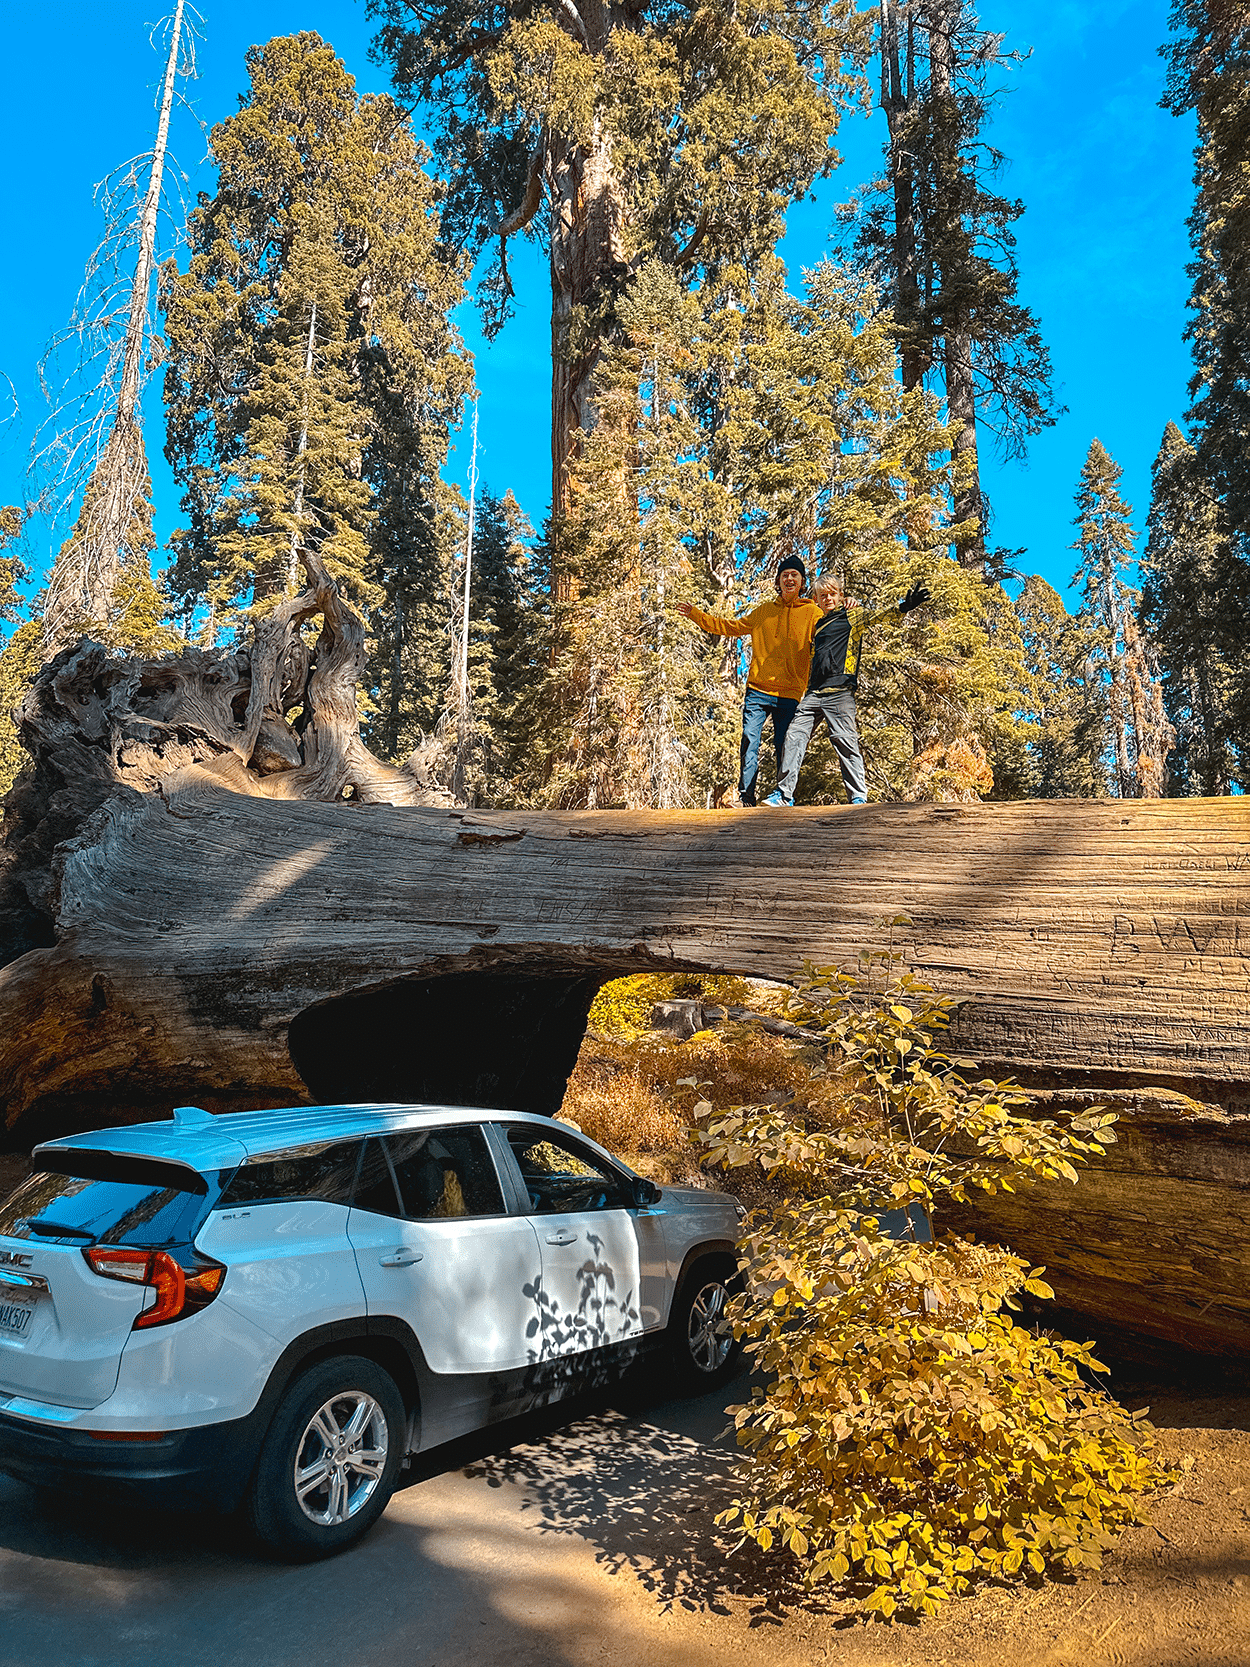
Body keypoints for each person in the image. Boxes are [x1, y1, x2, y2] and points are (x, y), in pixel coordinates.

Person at [763, 575, 930, 807]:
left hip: (840, 692)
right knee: (793, 737)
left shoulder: (853, 615)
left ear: (840, 596)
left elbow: (879, 616)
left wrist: (904, 606)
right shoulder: (818, 624)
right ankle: (783, 795)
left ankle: (858, 797)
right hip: (813, 694)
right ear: (816, 600)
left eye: (833, 594)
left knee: (845, 741)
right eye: (823, 596)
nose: (828, 598)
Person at [678, 555, 823, 806]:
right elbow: (728, 626)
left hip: (789, 692)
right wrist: (696, 615)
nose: (789, 578)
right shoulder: (763, 612)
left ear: (802, 582)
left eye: (794, 575)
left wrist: (847, 606)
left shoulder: (812, 613)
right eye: (785, 574)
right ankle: (746, 797)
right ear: (778, 581)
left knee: (784, 746)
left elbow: (833, 628)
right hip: (758, 689)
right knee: (749, 740)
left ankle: (783, 797)